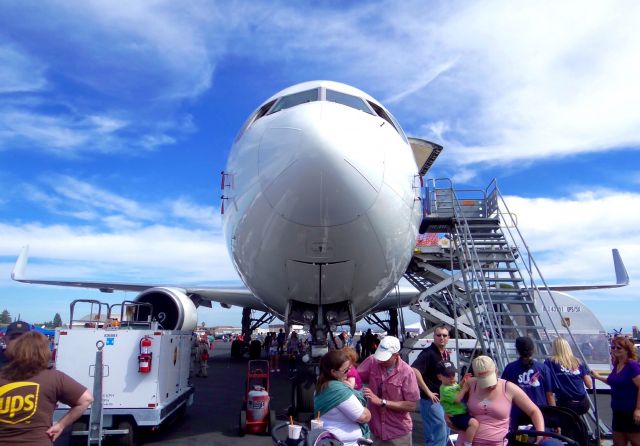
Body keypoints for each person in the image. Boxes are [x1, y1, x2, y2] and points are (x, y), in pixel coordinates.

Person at [0, 331, 94, 444]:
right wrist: (60, 425)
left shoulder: (3, 376)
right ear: (44, 352)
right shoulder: (54, 378)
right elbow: (87, 399)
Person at [454, 355, 545, 446]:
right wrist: (447, 416)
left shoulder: (508, 388)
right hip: (465, 442)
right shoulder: (470, 384)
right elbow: (451, 403)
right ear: (476, 377)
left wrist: (540, 434)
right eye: (484, 381)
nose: (489, 385)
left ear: (496, 371)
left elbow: (533, 410)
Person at [358, 335, 420, 445]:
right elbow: (356, 376)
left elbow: (412, 405)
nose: (380, 361)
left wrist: (382, 402)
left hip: (398, 433)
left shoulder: (407, 372)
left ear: (396, 355)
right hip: (375, 431)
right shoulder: (373, 361)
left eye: (384, 358)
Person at [314, 349, 371, 446]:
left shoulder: (322, 386)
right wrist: (368, 411)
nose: (349, 372)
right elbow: (364, 417)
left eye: (349, 368)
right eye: (345, 370)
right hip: (345, 443)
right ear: (333, 372)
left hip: (330, 440)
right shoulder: (338, 390)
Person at [592, 336, 640, 446]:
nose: (615, 349)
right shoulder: (617, 364)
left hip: (631, 413)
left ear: (627, 350)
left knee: (636, 442)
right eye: (613, 347)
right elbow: (614, 381)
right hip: (618, 412)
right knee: (618, 443)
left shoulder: (632, 366)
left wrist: (638, 409)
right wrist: (598, 377)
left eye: (619, 348)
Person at [411, 323, 451, 446]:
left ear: (448, 337)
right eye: (439, 335)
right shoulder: (428, 353)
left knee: (445, 432)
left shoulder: (445, 354)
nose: (442, 338)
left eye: (445, 335)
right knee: (437, 434)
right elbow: (414, 369)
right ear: (434, 336)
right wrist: (427, 391)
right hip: (431, 400)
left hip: (443, 398)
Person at [502, 336, 555, 428]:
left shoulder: (510, 368)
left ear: (517, 350)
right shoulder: (543, 369)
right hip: (540, 414)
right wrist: (554, 419)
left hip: (517, 414)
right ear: (533, 349)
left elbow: (503, 393)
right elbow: (549, 395)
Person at [544, 337, 592, 415]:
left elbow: (549, 389)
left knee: (565, 421)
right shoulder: (578, 361)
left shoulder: (549, 362)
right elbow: (589, 385)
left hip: (565, 403)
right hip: (583, 402)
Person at [436, 361, 479, 446]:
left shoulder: (452, 384)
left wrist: (463, 382)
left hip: (461, 413)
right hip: (456, 416)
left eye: (453, 375)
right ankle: (468, 444)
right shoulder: (445, 390)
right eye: (448, 376)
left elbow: (457, 388)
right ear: (439, 377)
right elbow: (457, 399)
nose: (452, 378)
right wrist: (465, 388)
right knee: (474, 424)